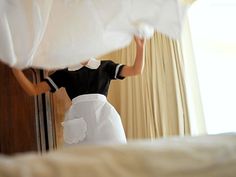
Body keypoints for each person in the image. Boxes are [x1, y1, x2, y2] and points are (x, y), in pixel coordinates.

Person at [12, 36, 145, 146]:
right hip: (78, 123)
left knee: (114, 160)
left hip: (105, 120)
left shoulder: (105, 66)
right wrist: (15, 68)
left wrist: (141, 47)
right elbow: (33, 90)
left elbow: (136, 70)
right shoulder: (64, 73)